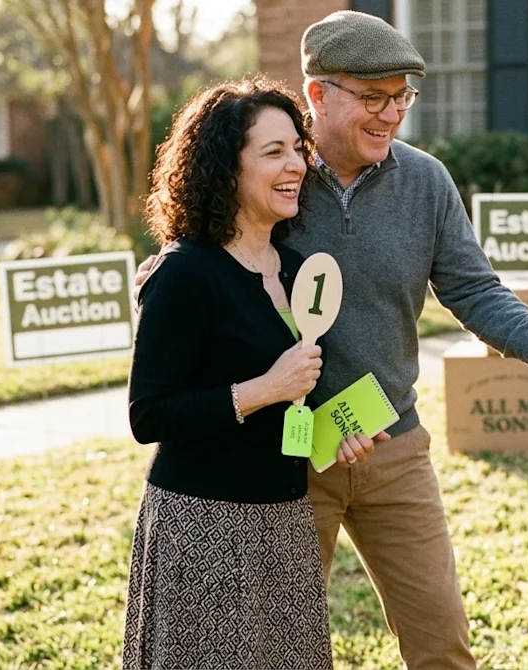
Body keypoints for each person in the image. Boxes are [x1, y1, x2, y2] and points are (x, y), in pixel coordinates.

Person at [134, 11, 528, 669]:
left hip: (391, 440)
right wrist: (169, 264)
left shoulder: (425, 182)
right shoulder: (277, 176)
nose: (391, 114)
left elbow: (473, 290)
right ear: (319, 95)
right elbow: (215, 252)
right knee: (277, 645)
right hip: (290, 450)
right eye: (372, 97)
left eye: (402, 98)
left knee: (441, 639)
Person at [123, 77, 343, 669]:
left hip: (286, 523)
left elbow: (296, 400)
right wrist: (260, 389)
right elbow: (149, 415)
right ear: (226, 169)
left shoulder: (298, 270)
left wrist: (336, 433)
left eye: (298, 148)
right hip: (204, 528)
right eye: (273, 152)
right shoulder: (184, 273)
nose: (295, 162)